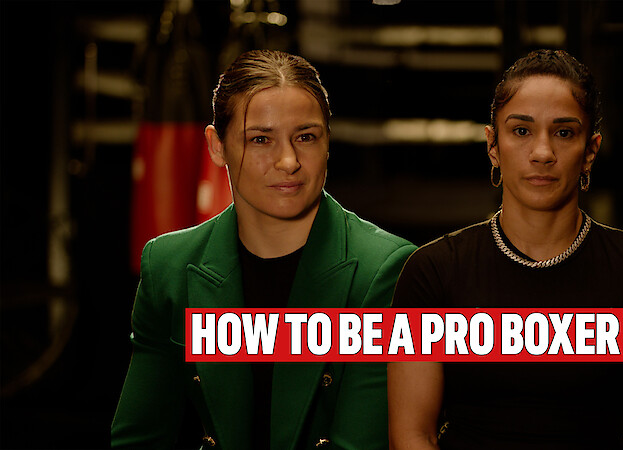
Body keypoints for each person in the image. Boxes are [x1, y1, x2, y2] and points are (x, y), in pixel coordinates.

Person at [112, 49, 416, 450]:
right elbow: (139, 438)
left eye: (305, 137)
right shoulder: (168, 265)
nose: (288, 161)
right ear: (216, 146)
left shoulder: (388, 269)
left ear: (328, 141)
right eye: (260, 139)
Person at [388, 49, 623, 449]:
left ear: (591, 150)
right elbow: (411, 435)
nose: (543, 152)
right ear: (493, 145)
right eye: (522, 131)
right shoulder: (434, 272)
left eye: (564, 132)